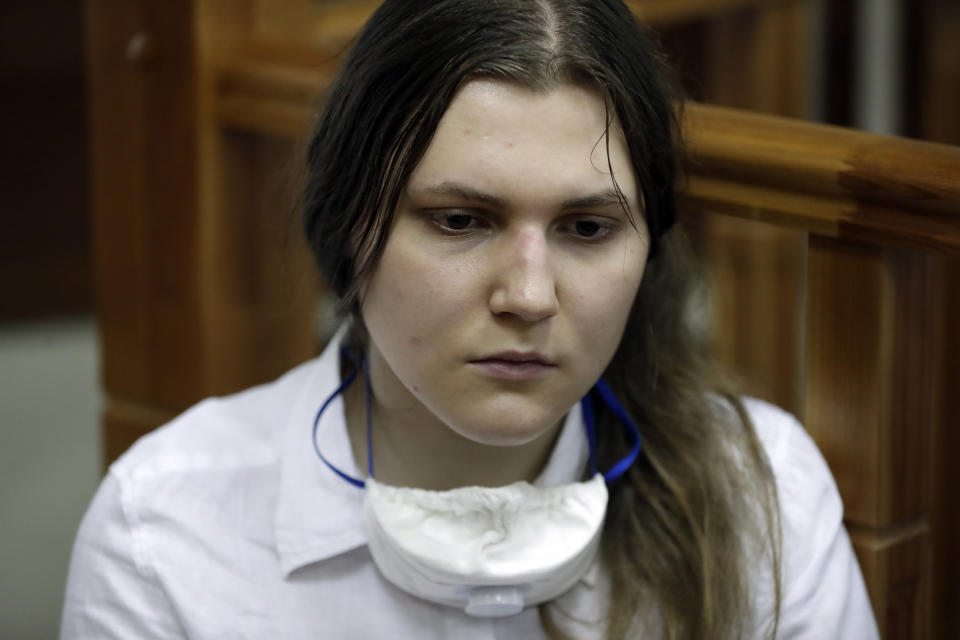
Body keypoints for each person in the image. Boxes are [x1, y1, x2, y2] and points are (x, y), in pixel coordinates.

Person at [61, 1, 878, 638]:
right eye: (460, 221)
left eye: (586, 229)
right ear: (351, 223)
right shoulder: (165, 534)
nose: (528, 295)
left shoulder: (760, 493)